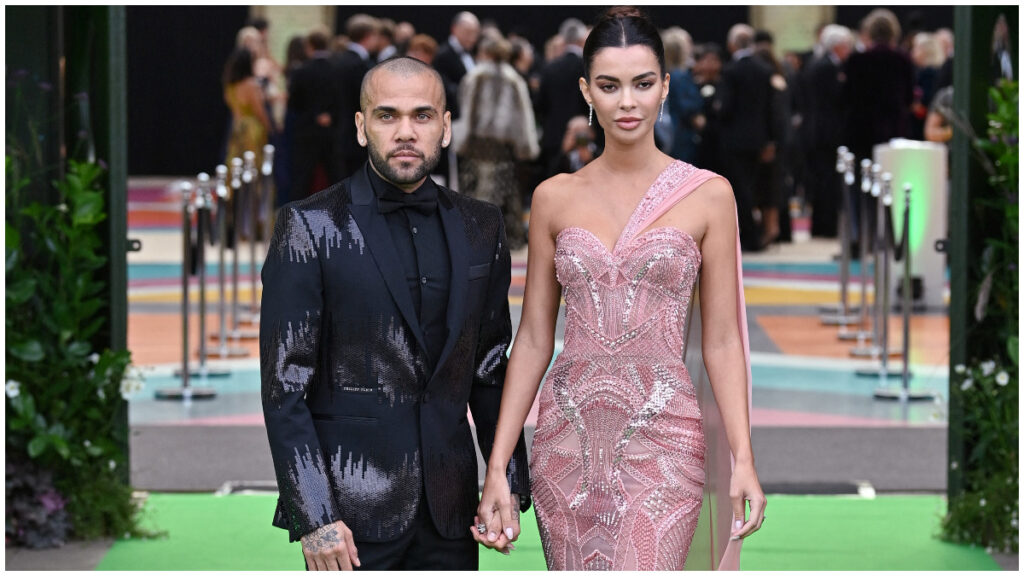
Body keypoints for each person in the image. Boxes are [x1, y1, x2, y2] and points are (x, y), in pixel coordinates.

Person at [474, 6, 765, 571]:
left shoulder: (709, 195)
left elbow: (723, 340)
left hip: (666, 441)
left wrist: (743, 457)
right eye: (609, 86)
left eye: (642, 84)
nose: (627, 102)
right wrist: (498, 463)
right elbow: (532, 339)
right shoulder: (554, 197)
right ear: (587, 91)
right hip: (567, 440)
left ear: (666, 87)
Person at [260, 56, 531, 571]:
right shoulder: (308, 225)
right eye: (387, 115)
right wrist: (314, 514)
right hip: (348, 516)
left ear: (445, 127)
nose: (405, 131)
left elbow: (489, 371)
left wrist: (507, 478)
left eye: (422, 116)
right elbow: (284, 388)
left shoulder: (482, 227)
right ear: (362, 127)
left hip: (451, 511)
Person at [454, 33, 539, 250]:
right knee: (503, 192)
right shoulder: (514, 79)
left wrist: (460, 141)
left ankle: (472, 238)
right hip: (503, 148)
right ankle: (501, 241)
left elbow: (466, 112)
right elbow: (523, 118)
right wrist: (526, 147)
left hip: (476, 145)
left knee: (473, 192)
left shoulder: (475, 77)